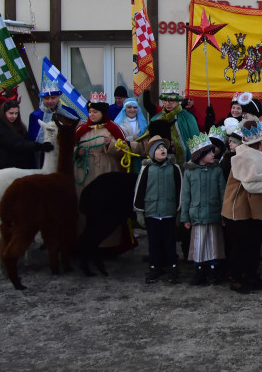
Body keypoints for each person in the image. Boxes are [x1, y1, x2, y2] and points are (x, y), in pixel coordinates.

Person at [221, 118, 262, 294]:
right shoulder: (246, 156)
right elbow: (252, 184)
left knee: (253, 244)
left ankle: (251, 275)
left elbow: (261, 167)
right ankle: (238, 278)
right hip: (240, 210)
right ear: (261, 142)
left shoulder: (253, 153)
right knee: (242, 246)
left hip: (251, 209)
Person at [75, 95, 130, 254]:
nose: (91, 115)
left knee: (107, 207)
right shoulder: (81, 130)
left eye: (95, 112)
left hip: (107, 170)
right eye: (90, 111)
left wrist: (111, 145)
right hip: (85, 172)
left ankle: (108, 245)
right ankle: (85, 243)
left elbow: (125, 151)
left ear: (102, 112)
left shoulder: (113, 129)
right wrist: (76, 152)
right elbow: (68, 148)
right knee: (86, 206)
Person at [134, 135, 183, 284]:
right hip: (152, 211)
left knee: (169, 241)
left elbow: (180, 189)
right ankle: (155, 267)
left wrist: (179, 210)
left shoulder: (174, 168)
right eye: (158, 148)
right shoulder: (147, 169)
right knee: (154, 242)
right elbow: (139, 190)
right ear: (151, 153)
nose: (162, 150)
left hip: (169, 211)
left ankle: (172, 267)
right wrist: (139, 211)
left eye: (163, 147)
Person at [180, 132, 226, 286]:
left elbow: (222, 193)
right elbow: (185, 195)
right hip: (197, 214)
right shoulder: (189, 172)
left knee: (213, 243)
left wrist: (223, 215)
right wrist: (185, 217)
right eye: (210, 152)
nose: (214, 154)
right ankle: (199, 270)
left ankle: (213, 269)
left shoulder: (217, 170)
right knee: (199, 243)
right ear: (201, 155)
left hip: (214, 213)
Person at [0, 100, 52, 171]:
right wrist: (40, 146)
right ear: (4, 113)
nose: (14, 116)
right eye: (11, 113)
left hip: (14, 167)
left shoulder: (14, 125)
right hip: (5, 168)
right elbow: (17, 144)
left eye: (16, 113)